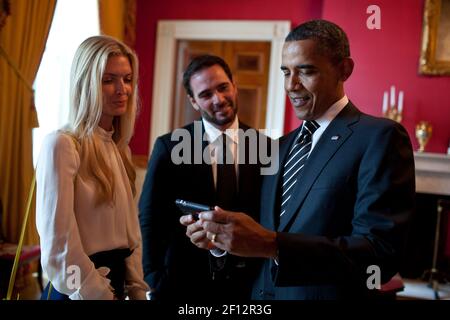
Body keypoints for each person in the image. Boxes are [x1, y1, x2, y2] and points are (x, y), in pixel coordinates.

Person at [183, 20, 415, 300]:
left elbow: (380, 255)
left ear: (344, 69)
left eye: (306, 71)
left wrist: (273, 244)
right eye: (285, 72)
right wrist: (222, 241)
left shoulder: (380, 138)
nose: (291, 85)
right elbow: (260, 238)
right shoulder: (279, 147)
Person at [139, 55, 271, 300]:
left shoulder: (266, 148)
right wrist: (154, 280)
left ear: (234, 85)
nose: (218, 100)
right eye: (206, 94)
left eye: (223, 88)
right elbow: (150, 218)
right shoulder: (170, 147)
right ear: (193, 101)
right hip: (183, 284)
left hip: (250, 286)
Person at [36, 35, 149, 300]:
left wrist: (136, 288)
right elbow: (59, 244)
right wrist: (96, 293)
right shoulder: (61, 145)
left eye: (127, 79)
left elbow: (131, 236)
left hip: (116, 287)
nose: (122, 89)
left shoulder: (120, 148)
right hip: (79, 291)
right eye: (108, 80)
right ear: (85, 83)